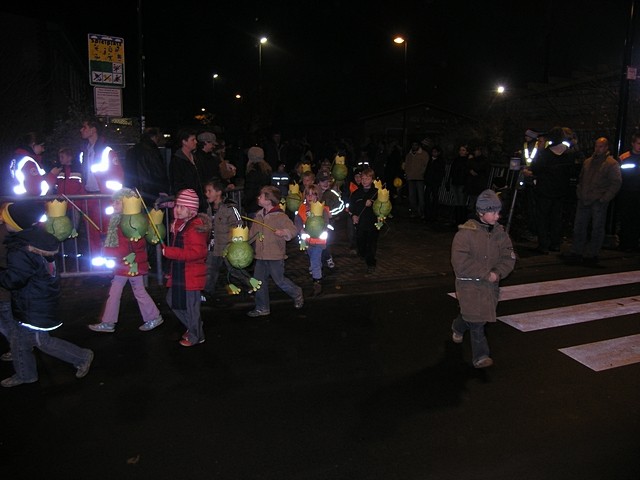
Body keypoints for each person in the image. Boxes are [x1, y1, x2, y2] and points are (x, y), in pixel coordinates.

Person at [0, 200, 94, 387]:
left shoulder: (21, 250)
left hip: (33, 304)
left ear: (18, 224)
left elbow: (14, 280)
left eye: (7, 219)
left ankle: (81, 356)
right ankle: (25, 374)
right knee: (19, 340)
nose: (3, 221)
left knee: (41, 341)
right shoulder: (35, 240)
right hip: (35, 300)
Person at [450, 189, 516, 369]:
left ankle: (458, 326)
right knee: (477, 321)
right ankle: (481, 356)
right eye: (493, 212)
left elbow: (509, 256)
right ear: (481, 212)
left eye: (498, 212)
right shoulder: (465, 234)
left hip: (489, 286)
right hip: (469, 285)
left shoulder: (500, 233)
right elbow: (460, 261)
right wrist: (485, 273)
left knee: (474, 317)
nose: (497, 216)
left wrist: (498, 273)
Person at [87, 188, 164, 333]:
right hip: (126, 264)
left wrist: (108, 251)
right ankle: (109, 322)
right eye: (114, 202)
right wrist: (107, 237)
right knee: (119, 291)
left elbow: (125, 246)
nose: (114, 205)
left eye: (118, 202)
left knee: (135, 291)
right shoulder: (120, 220)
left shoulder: (130, 222)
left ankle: (152, 317)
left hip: (131, 264)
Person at [162, 188, 211, 347]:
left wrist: (171, 252)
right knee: (172, 301)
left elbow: (197, 253)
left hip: (191, 275)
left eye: (182, 207)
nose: (177, 209)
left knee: (191, 308)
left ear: (191, 211)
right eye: (177, 206)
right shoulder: (181, 225)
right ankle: (194, 326)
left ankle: (197, 335)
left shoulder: (194, 228)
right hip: (181, 273)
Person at [247, 186, 303, 317]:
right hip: (260, 256)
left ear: (268, 200)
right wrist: (241, 241)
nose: (258, 198)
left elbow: (293, 230)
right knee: (258, 281)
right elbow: (252, 234)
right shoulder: (259, 215)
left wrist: (284, 232)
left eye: (261, 196)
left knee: (280, 281)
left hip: (275, 255)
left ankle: (296, 292)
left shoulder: (280, 216)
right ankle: (262, 307)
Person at [564, 137, 621, 265]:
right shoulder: (588, 162)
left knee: (597, 228)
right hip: (585, 198)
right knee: (579, 226)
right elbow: (581, 178)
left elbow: (616, 183)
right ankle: (577, 251)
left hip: (597, 200)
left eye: (600, 146)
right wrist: (580, 192)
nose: (598, 149)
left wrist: (604, 198)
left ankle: (591, 253)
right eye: (596, 146)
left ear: (606, 148)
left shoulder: (611, 164)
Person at [523, 126, 576, 254]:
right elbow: (572, 172)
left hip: (545, 190)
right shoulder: (568, 154)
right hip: (561, 191)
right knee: (556, 218)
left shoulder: (546, 154)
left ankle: (543, 244)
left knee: (543, 218)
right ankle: (555, 243)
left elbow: (536, 169)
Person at [79, 117, 125, 256]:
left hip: (104, 198)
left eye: (84, 127)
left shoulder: (107, 152)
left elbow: (118, 177)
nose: (81, 130)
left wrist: (110, 195)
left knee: (107, 232)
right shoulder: (85, 152)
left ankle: (110, 267)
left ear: (93, 130)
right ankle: (98, 269)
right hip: (90, 196)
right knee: (92, 233)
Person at [202, 179, 243, 306]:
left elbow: (238, 224)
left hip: (227, 246)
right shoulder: (209, 208)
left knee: (234, 270)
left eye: (210, 191)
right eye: (206, 191)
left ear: (218, 192)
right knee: (210, 269)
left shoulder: (229, 208)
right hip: (213, 246)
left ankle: (250, 284)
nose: (207, 194)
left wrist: (234, 243)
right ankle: (207, 293)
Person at [295, 183, 331, 296]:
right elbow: (298, 221)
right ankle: (318, 269)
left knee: (314, 260)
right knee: (313, 258)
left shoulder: (322, 209)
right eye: (308, 194)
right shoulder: (302, 208)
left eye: (313, 194)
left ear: (318, 196)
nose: (310, 197)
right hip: (307, 241)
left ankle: (317, 281)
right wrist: (300, 229)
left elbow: (325, 223)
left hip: (319, 241)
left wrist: (320, 228)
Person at [123, 127, 170, 204]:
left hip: (134, 191)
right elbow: (159, 173)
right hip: (150, 191)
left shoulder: (132, 150)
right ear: (154, 137)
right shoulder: (152, 151)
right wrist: (164, 190)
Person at [9, 132, 61, 196]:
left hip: (19, 200)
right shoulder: (28, 162)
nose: (43, 149)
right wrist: (52, 175)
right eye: (42, 146)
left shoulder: (18, 158)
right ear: (33, 145)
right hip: (30, 202)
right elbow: (37, 191)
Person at [348, 167, 379, 274]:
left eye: (367, 178)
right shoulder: (356, 193)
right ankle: (363, 253)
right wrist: (353, 216)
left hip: (372, 223)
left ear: (372, 179)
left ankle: (371, 263)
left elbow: (382, 206)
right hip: (360, 224)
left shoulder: (376, 192)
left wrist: (373, 203)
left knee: (371, 244)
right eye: (363, 178)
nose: (365, 180)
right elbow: (351, 208)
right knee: (361, 242)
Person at [170, 128, 206, 211]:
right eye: (192, 140)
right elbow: (177, 183)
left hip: (200, 201)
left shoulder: (196, 158)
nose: (196, 142)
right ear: (184, 142)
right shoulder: (177, 161)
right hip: (188, 204)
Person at [317, 170, 345, 269]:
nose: (325, 184)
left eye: (327, 181)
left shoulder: (332, 193)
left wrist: (331, 214)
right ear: (318, 182)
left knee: (326, 242)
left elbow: (341, 205)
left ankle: (328, 257)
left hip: (328, 224)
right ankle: (317, 262)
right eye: (322, 181)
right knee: (316, 243)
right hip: (315, 224)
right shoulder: (314, 192)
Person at [617, 133, 640, 251]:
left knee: (636, 219)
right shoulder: (624, 157)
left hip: (637, 194)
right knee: (626, 218)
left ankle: (633, 243)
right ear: (633, 144)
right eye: (638, 143)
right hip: (626, 193)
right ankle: (625, 243)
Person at [242, 146, 272, 217]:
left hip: (254, 206)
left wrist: (244, 203)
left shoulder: (252, 172)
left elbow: (250, 191)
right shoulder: (267, 171)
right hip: (265, 205)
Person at [403, 141, 430, 218]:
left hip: (420, 178)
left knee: (421, 196)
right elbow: (406, 165)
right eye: (413, 145)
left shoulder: (424, 154)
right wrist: (407, 173)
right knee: (412, 196)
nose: (414, 146)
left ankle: (421, 212)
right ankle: (414, 211)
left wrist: (422, 173)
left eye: (415, 145)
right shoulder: (409, 155)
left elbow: (426, 165)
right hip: (411, 177)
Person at [447, 145, 471, 225]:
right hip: (455, 182)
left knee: (461, 202)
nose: (461, 151)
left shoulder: (467, 161)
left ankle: (461, 220)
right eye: (460, 150)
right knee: (457, 202)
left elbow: (467, 173)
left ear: (467, 152)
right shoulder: (456, 160)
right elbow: (452, 170)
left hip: (462, 183)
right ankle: (457, 219)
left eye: (463, 150)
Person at [424, 145, 446, 223]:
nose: (433, 153)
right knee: (427, 197)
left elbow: (441, 173)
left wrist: (437, 180)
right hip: (429, 182)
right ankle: (427, 214)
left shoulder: (440, 162)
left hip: (435, 182)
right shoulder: (430, 160)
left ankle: (433, 214)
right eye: (433, 152)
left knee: (434, 198)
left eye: (435, 152)